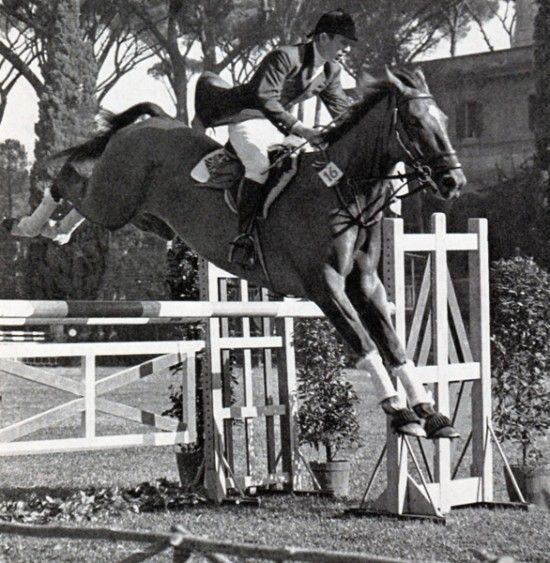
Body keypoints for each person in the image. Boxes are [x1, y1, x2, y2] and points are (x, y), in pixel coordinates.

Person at [194, 9, 358, 268]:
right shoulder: (284, 56)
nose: (347, 50)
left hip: (277, 126)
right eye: (344, 43)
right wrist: (302, 129)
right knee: (259, 166)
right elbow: (265, 98)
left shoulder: (331, 71)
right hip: (245, 117)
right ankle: (243, 237)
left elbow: (341, 109)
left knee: (304, 164)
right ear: (323, 38)